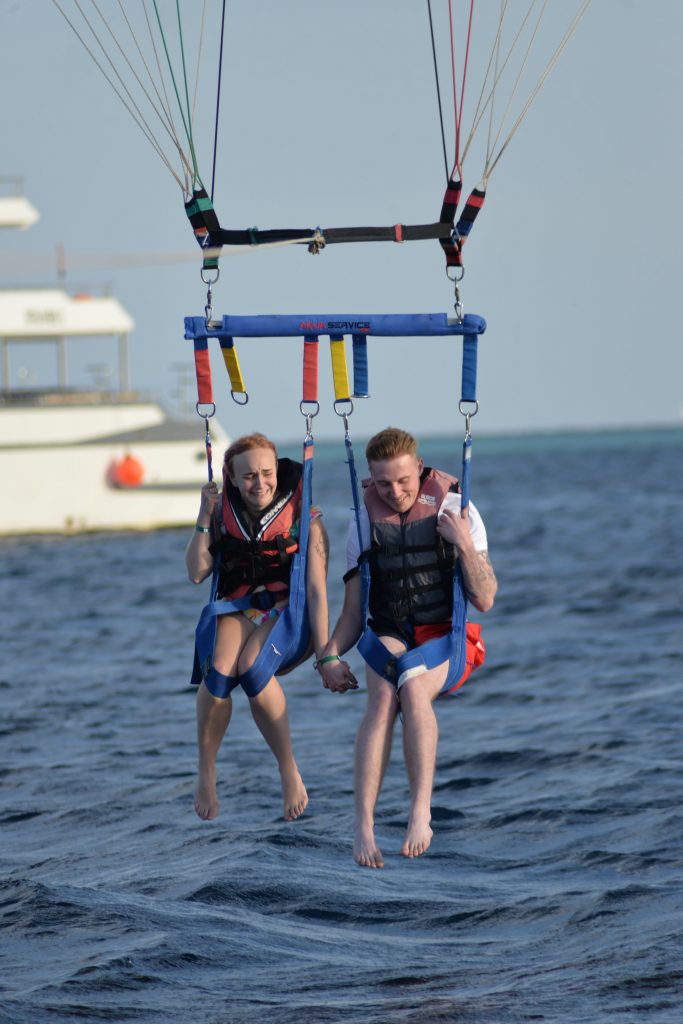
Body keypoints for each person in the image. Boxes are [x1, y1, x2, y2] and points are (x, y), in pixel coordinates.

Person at [317, 427, 497, 868]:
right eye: (382, 484)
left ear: (419, 468)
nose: (394, 492)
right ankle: (363, 823)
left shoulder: (458, 509)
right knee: (381, 698)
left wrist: (465, 547)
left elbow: (486, 598)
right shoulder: (363, 523)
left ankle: (421, 812)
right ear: (371, 481)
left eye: (403, 481)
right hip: (390, 629)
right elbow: (354, 613)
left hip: (446, 635)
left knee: (412, 687)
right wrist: (329, 656)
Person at [186, 432, 329, 823]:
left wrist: (325, 653)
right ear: (231, 478)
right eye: (248, 476)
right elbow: (197, 573)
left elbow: (316, 590)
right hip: (239, 608)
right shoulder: (220, 511)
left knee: (251, 669)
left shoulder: (304, 515)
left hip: (287, 615)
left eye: (266, 473)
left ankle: (288, 767)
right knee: (216, 676)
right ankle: (207, 770)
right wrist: (203, 514)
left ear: (277, 470)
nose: (260, 483)